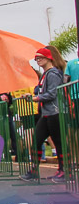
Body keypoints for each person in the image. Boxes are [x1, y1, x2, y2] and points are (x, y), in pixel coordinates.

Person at [21, 46, 67, 183]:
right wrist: (32, 94)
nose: (38, 60)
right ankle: (34, 171)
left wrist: (35, 98)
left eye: (40, 58)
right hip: (47, 113)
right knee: (36, 141)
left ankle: (64, 171)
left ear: (49, 58)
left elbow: (52, 94)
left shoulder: (53, 74)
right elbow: (39, 90)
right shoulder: (46, 75)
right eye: (36, 59)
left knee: (59, 143)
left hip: (55, 112)